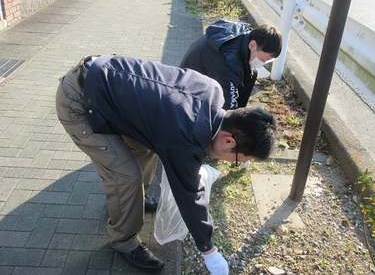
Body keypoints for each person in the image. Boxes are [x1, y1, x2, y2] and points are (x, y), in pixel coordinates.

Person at [55, 55, 276, 273]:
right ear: (228, 140)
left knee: (147, 148)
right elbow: (189, 194)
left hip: (105, 80)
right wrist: (209, 251)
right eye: (237, 160)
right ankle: (123, 240)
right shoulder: (186, 133)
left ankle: (133, 201)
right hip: (80, 102)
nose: (231, 163)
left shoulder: (213, 91)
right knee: (126, 176)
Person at [180, 19, 283, 110]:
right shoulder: (228, 60)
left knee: (251, 74)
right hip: (189, 95)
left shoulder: (242, 35)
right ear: (252, 45)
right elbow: (226, 102)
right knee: (228, 116)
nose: (263, 63)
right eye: (264, 58)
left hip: (202, 80)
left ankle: (238, 116)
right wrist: (231, 122)